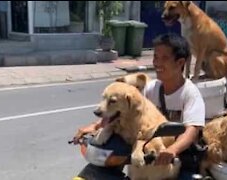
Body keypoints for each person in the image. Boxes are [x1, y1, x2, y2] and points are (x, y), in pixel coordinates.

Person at [73, 33, 206, 180]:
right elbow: (126, 111)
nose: (157, 63)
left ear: (180, 63)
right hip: (146, 151)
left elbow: (191, 131)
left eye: (164, 58)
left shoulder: (190, 93)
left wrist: (172, 150)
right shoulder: (152, 88)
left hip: (176, 158)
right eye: (155, 57)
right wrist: (96, 126)